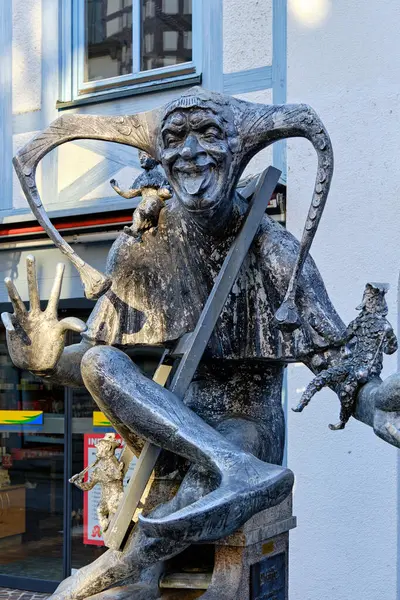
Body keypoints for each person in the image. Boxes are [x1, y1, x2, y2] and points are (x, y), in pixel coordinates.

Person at [4, 88, 400, 600]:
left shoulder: (273, 248)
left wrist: (373, 401)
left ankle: (134, 563)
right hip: (167, 426)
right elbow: (96, 365)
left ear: (238, 149)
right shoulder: (143, 246)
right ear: (162, 159)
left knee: (210, 474)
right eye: (175, 138)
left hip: (248, 423)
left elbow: (337, 366)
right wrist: (49, 361)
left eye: (209, 134)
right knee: (102, 359)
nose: (190, 150)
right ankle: (217, 485)